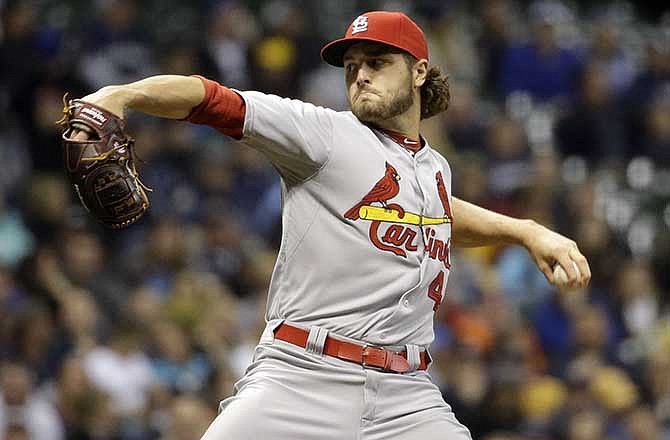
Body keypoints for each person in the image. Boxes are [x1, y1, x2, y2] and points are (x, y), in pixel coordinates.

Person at [68, 11, 590, 440]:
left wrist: (526, 230)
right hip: (301, 377)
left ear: (420, 71)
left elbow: (441, 213)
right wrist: (120, 94)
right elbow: (211, 99)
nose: (359, 74)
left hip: (407, 397)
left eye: (377, 63)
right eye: (352, 66)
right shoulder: (324, 136)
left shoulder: (434, 166)